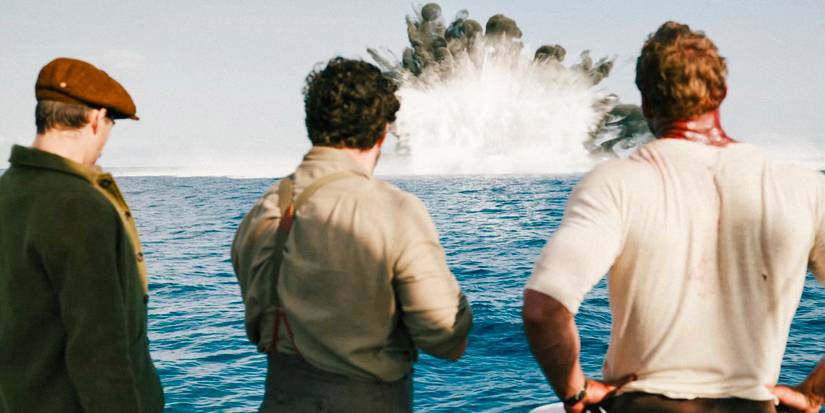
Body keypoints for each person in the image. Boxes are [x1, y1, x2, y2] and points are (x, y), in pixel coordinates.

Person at [522, 21, 824, 413]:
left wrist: (576, 391)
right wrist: (813, 393)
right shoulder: (804, 188)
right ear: (722, 93)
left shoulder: (616, 183)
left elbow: (544, 308)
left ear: (646, 103)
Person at [232, 57, 472, 412]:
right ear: (382, 133)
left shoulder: (261, 210)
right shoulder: (394, 211)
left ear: (313, 125)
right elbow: (444, 336)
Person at [0, 58, 163, 411]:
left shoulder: (7, 192)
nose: (105, 139)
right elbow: (98, 351)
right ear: (94, 119)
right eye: (110, 124)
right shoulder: (80, 207)